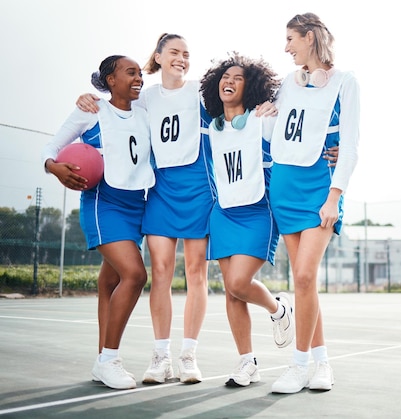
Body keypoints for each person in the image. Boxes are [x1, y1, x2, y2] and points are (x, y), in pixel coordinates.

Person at [76, 34, 277, 385]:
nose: (181, 58)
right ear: (159, 56)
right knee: (162, 273)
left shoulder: (202, 92)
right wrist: (90, 98)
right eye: (174, 52)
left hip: (200, 190)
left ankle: (188, 356)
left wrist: (266, 110)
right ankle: (160, 356)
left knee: (196, 272)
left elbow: (240, 104)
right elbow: (116, 106)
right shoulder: (146, 97)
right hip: (160, 191)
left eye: (186, 54)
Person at [42, 55, 155, 390]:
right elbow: (52, 145)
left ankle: (100, 360)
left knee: (110, 282)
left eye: (139, 73)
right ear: (110, 79)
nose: (138, 78)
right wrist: (53, 166)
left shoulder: (145, 114)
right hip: (104, 203)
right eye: (130, 73)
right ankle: (109, 359)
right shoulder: (92, 111)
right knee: (135, 275)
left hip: (137, 204)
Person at [268, 12, 360, 394]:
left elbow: (351, 146)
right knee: (303, 284)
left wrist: (334, 198)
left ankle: (298, 365)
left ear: (309, 38)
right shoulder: (285, 84)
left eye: (291, 38)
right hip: (284, 186)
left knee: (304, 277)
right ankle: (321, 363)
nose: (286, 47)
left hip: (320, 188)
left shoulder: (345, 82)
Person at [199, 52, 296, 387]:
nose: (230, 81)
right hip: (223, 213)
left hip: (257, 211)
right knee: (231, 292)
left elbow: (296, 121)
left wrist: (334, 148)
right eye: (225, 77)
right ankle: (247, 362)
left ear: (250, 86)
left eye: (238, 78)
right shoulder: (212, 128)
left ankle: (279, 309)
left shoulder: (262, 119)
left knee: (240, 283)